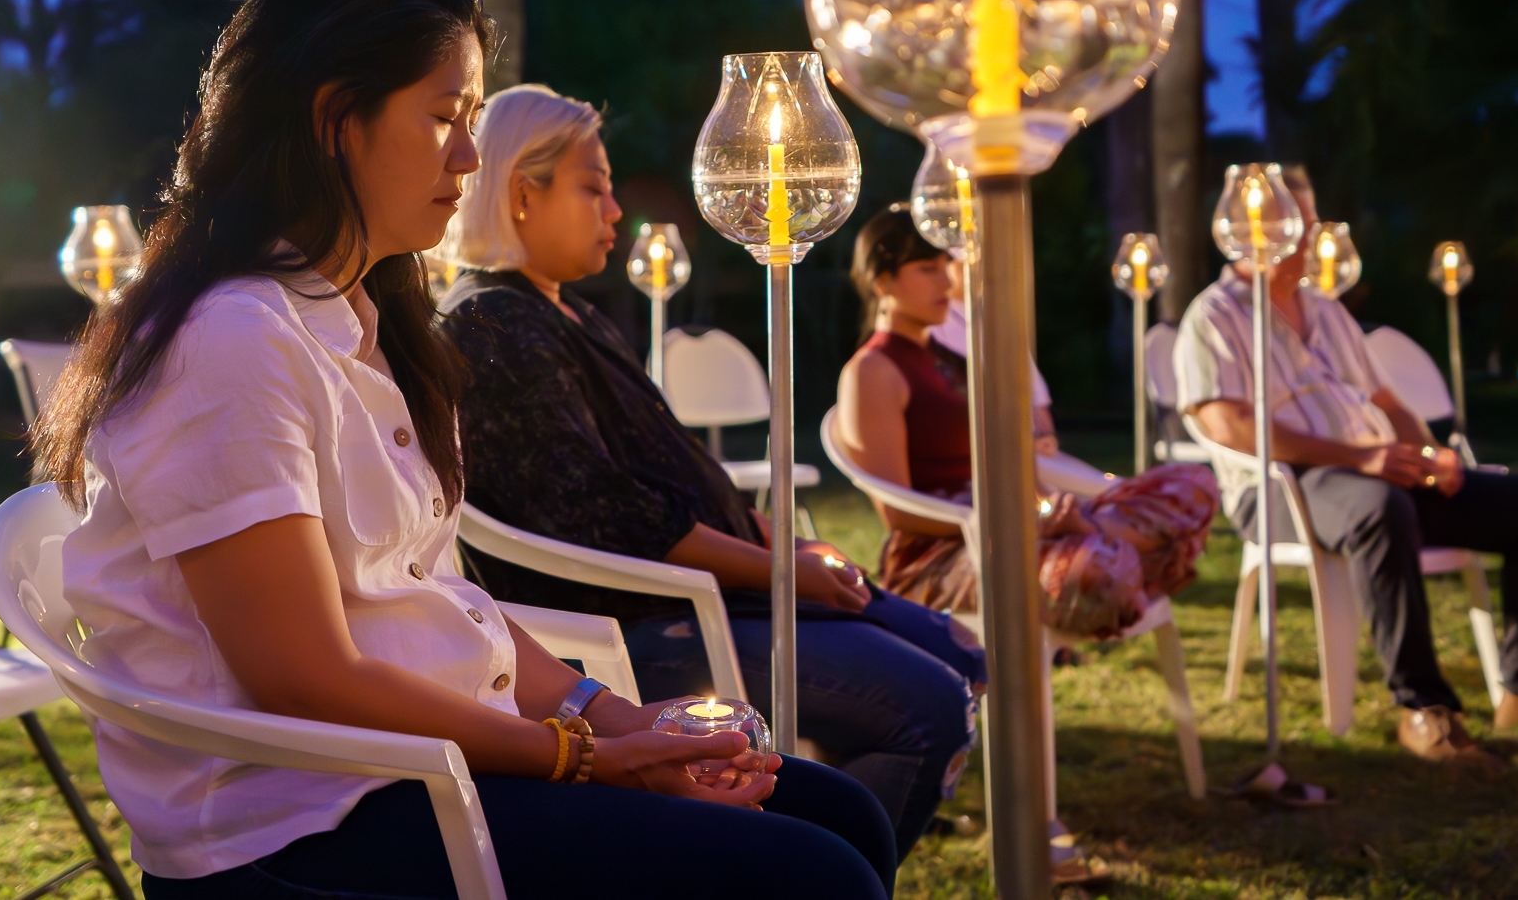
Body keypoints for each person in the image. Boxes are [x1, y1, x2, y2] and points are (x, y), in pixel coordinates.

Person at [31, 0, 897, 900]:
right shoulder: (227, 339)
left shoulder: (349, 320)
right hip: (302, 826)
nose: (469, 155)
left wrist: (611, 716)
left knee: (835, 812)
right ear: (334, 121)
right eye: (445, 116)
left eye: (473, 117)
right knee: (811, 873)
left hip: (413, 765)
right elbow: (302, 676)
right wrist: (584, 757)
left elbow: (438, 602)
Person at [434, 85, 981, 862]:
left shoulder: (572, 315)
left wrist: (784, 545)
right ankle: (809, 867)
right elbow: (610, 515)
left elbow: (679, 471)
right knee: (928, 706)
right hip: (654, 617)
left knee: (959, 651)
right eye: (595, 187)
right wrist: (778, 568)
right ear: (523, 193)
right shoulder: (492, 325)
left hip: (726, 591)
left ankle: (815, 859)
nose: (616, 211)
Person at [1176, 168, 1518, 763]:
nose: (1310, 238)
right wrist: (1358, 458)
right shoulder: (1213, 316)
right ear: (1252, 228)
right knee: (1379, 507)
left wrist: (1426, 456)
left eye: (1311, 225)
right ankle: (1422, 707)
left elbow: (1388, 403)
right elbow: (1228, 425)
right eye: (1298, 225)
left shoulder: (1327, 310)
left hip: (1373, 471)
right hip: (1283, 489)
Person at [835, 205, 1218, 642]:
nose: (947, 281)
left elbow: (1016, 465)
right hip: (945, 553)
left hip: (1022, 528)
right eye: (927, 268)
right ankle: (1121, 562)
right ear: (881, 281)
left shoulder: (953, 361)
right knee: (1095, 570)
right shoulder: (873, 371)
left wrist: (1053, 510)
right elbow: (899, 512)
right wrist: (1028, 523)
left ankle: (1109, 555)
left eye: (946, 264)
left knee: (1193, 484)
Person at [929, 254, 1061, 455]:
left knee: (1105, 484)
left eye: (981, 261)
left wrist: (1044, 434)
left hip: (1029, 448)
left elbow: (1034, 389)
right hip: (981, 449)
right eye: (963, 262)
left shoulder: (996, 317)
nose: (975, 268)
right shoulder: (935, 324)